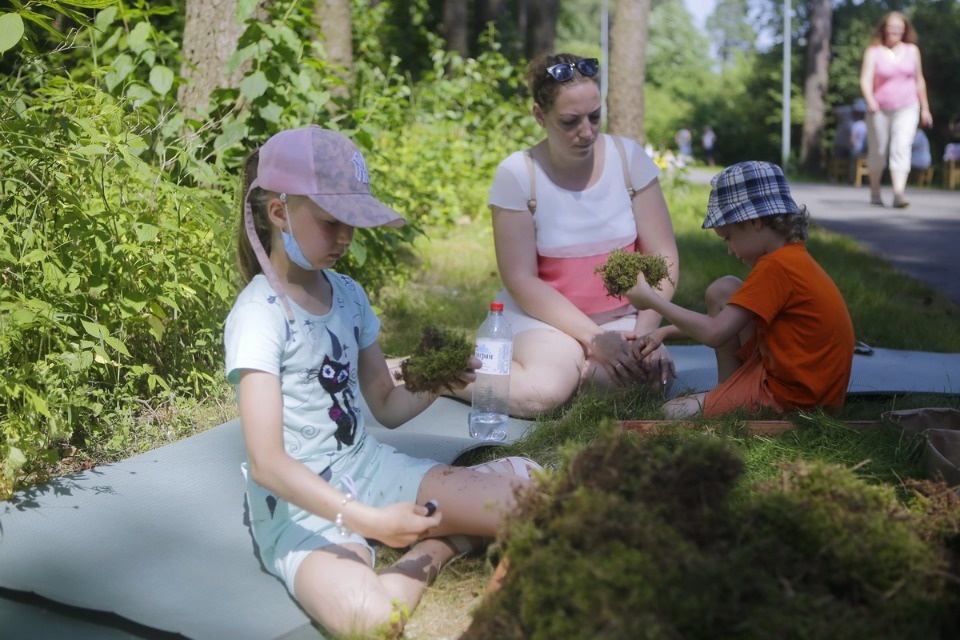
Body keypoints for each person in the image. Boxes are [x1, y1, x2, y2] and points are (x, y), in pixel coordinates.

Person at [225, 125, 537, 638]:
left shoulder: (348, 295)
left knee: (533, 499)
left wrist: (436, 382)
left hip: (369, 469)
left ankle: (443, 533)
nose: (346, 237)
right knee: (370, 622)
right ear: (279, 212)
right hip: (304, 506)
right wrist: (366, 523)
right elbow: (268, 463)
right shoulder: (258, 315)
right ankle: (441, 543)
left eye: (354, 223)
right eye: (332, 222)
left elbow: (386, 404)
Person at [454, 53, 680, 418]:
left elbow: (664, 259)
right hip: (545, 317)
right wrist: (593, 339)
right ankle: (436, 374)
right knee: (544, 394)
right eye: (570, 121)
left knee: (650, 378)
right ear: (540, 116)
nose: (587, 131)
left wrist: (647, 336)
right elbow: (520, 279)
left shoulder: (629, 159)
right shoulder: (518, 174)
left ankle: (572, 369)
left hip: (622, 318)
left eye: (594, 116)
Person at [623, 161, 855, 420]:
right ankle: (728, 393)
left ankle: (728, 405)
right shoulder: (789, 258)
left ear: (754, 221)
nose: (730, 250)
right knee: (724, 290)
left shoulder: (775, 268)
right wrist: (663, 331)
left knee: (672, 412)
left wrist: (651, 300)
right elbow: (726, 323)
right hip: (805, 385)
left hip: (795, 400)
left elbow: (715, 332)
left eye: (728, 237)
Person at [859, 11, 933, 208]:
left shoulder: (912, 50)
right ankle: (875, 191)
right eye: (891, 27)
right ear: (883, 28)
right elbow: (865, 79)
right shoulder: (873, 51)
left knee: (902, 145)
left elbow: (919, 81)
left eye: (899, 28)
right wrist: (870, 99)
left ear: (905, 31)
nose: (895, 31)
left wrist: (925, 108)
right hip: (879, 109)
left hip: (908, 106)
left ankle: (899, 193)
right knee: (878, 151)